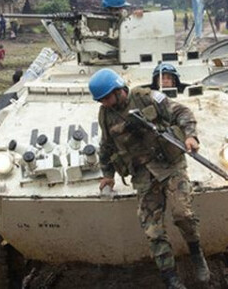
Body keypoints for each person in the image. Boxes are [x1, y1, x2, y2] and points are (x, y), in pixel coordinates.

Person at [91, 67, 209, 289]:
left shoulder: (146, 97)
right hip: (143, 174)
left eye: (106, 98)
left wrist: (190, 136)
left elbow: (181, 112)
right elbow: (106, 146)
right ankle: (170, 278)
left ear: (118, 90)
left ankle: (196, 254)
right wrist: (107, 175)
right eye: (101, 100)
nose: (104, 103)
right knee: (153, 230)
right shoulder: (105, 114)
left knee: (182, 214)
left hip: (170, 165)